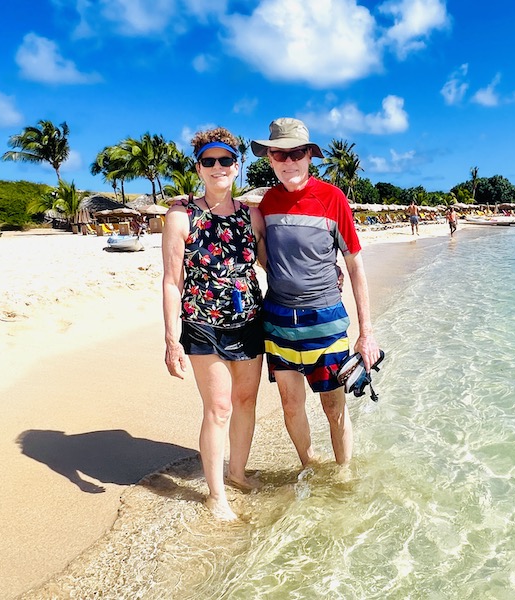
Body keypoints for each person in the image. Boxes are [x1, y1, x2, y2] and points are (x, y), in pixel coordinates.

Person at [251, 117, 380, 468]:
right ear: (270, 159)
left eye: (297, 153)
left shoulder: (333, 198)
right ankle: (308, 468)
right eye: (280, 154)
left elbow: (355, 266)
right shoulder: (265, 204)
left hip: (325, 321)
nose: (289, 161)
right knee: (291, 406)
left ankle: (343, 477)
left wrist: (366, 335)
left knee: (333, 408)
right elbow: (267, 258)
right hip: (277, 321)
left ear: (309, 156)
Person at [161, 127, 266, 521]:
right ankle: (215, 494)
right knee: (219, 407)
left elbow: (268, 263)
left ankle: (237, 473)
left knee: (246, 402)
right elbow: (172, 281)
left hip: (249, 321)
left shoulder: (250, 214)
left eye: (225, 160)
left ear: (237, 166)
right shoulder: (180, 215)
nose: (218, 167)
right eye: (209, 161)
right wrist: (172, 341)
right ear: (199, 167)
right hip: (203, 323)